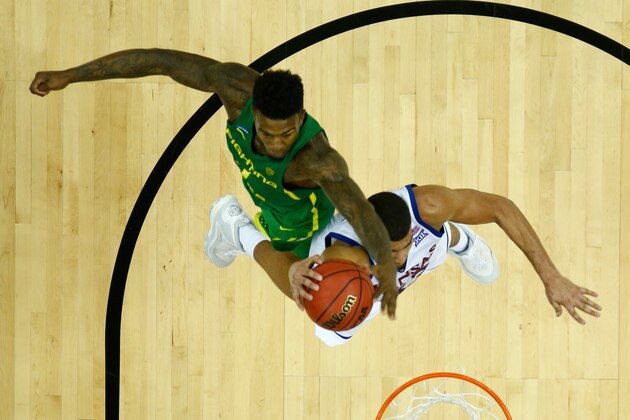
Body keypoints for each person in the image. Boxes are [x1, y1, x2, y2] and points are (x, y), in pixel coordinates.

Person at [29, 49, 399, 318]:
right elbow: (160, 61)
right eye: (268, 133)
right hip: (268, 199)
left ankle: (236, 229)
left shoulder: (319, 162)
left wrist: (386, 266)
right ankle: (235, 228)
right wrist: (70, 75)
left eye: (287, 133)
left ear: (301, 119)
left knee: (311, 298)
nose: (276, 143)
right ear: (253, 111)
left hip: (302, 222)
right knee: (310, 295)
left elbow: (359, 209)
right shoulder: (234, 87)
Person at [206, 183, 602, 347]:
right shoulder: (337, 259)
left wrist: (551, 276)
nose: (398, 257)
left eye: (402, 246)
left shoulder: (427, 206)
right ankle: (234, 226)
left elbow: (502, 208)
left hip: (424, 237)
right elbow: (290, 279)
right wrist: (292, 271)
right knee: (328, 333)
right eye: (389, 251)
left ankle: (457, 240)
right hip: (366, 290)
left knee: (442, 248)